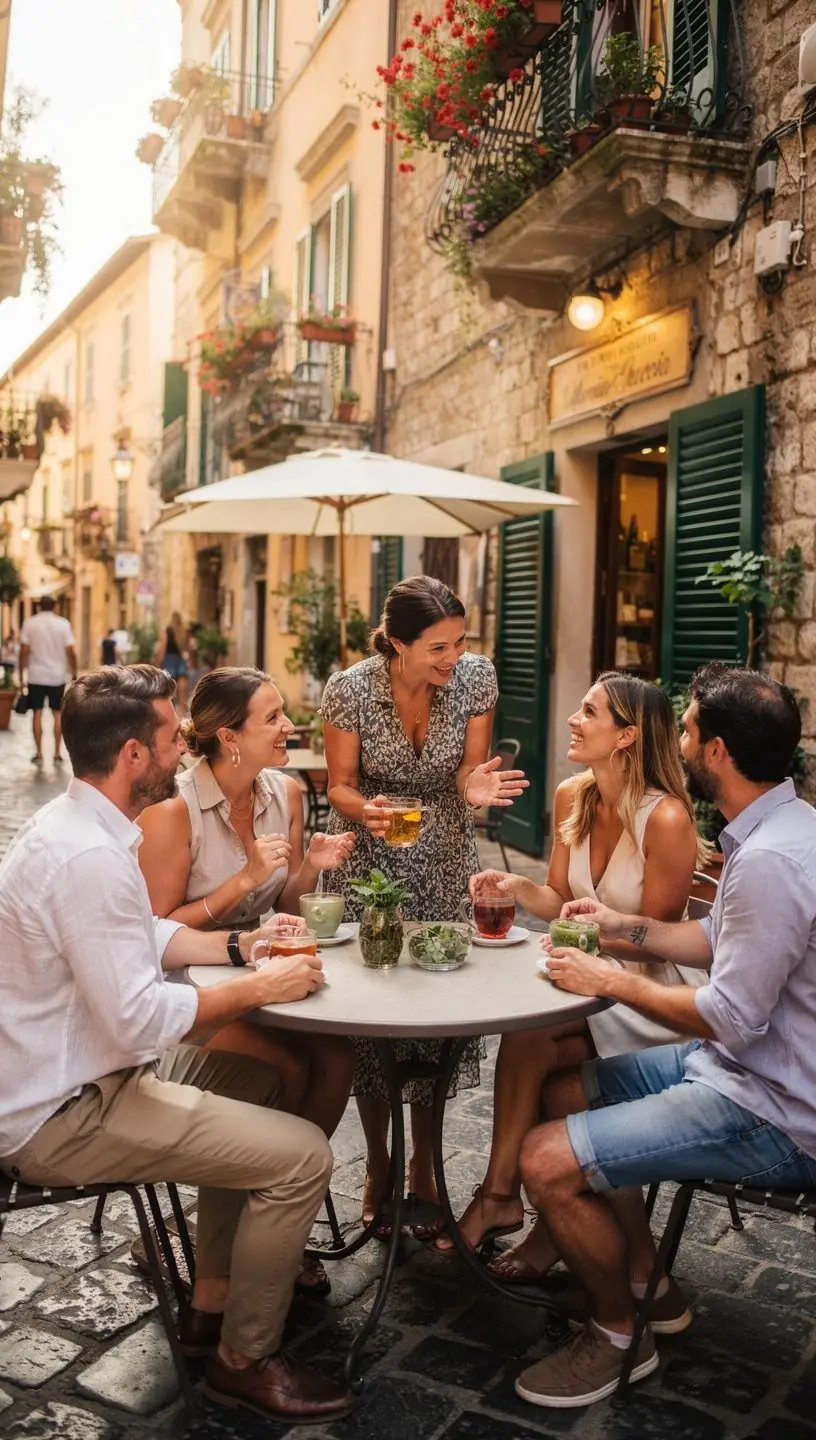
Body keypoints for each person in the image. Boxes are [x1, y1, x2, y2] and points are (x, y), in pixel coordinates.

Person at [0, 665, 354, 1425]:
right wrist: (256, 990)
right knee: (304, 1158)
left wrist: (241, 949)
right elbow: (135, 1020)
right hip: (66, 1111)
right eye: (169, 739)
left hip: (81, 1080)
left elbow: (143, 934)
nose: (179, 749)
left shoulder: (81, 829)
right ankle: (243, 1360)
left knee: (257, 1085)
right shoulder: (91, 857)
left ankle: (212, 1301)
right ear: (133, 754)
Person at [512, 663, 816, 1411]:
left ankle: (618, 1335)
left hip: (774, 1108)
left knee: (544, 1160)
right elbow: (717, 936)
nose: (675, 737)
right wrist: (620, 928)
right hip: (735, 1066)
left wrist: (612, 980)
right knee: (560, 1087)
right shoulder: (781, 825)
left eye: (686, 726)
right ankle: (646, 1280)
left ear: (715, 751)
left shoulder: (774, 859)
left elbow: (731, 1016)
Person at [443, 673, 703, 1299]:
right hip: (583, 985)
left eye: (589, 712)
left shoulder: (665, 817)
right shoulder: (571, 797)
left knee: (533, 1035)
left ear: (627, 736)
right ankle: (516, 1205)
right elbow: (559, 899)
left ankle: (502, 1198)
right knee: (532, 1042)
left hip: (647, 995)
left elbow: (657, 935)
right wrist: (518, 891)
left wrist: (577, 943)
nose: (572, 719)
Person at [138, 665, 358, 1293]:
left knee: (337, 1056)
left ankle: (271, 1222)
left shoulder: (284, 794)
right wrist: (238, 886)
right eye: (273, 718)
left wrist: (309, 869)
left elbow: (283, 903)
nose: (290, 726)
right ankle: (232, 1243)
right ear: (229, 736)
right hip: (189, 998)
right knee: (283, 1068)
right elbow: (155, 934)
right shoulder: (172, 811)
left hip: (260, 974)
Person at [321, 575, 527, 1237]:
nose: (452, 658)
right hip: (370, 859)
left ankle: (424, 1167)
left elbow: (467, 773)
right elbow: (341, 786)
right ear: (398, 645)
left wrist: (479, 786)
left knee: (434, 1015)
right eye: (437, 647)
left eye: (459, 643)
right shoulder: (350, 688)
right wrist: (369, 811)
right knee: (371, 1018)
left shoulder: (475, 680)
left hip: (441, 860)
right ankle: (379, 1162)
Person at [19, 596, 77, 766]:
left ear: (38, 607)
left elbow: (24, 651)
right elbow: (70, 651)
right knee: (57, 713)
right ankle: (57, 754)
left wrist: (22, 674)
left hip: (36, 675)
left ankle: (38, 753)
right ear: (55, 607)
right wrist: (74, 671)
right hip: (57, 676)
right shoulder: (63, 624)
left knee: (37, 712)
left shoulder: (30, 623)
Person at [156, 611, 189, 708]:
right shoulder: (183, 631)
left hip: (169, 660)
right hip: (180, 659)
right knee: (182, 686)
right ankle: (182, 709)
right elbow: (186, 648)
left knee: (170, 686)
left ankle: (171, 708)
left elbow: (163, 646)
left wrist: (158, 661)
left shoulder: (167, 630)